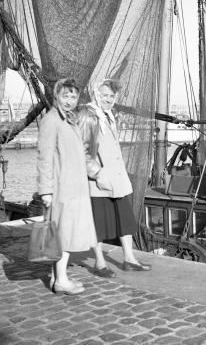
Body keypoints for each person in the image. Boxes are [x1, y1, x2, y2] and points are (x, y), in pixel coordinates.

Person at [78, 79, 151, 277]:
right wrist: (97, 174)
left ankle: (129, 259)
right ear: (96, 95)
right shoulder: (89, 115)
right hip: (99, 181)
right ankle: (100, 263)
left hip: (116, 180)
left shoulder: (108, 116)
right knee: (98, 224)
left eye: (111, 96)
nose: (108, 99)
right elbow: (82, 149)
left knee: (124, 220)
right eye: (104, 95)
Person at [38, 79, 97, 295]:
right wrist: (45, 190)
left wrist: (95, 171)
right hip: (61, 188)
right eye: (65, 96)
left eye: (73, 96)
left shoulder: (69, 121)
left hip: (73, 188)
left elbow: (79, 152)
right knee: (63, 235)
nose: (69, 101)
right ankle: (61, 280)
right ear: (56, 96)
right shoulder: (51, 120)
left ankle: (57, 277)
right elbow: (44, 157)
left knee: (63, 234)